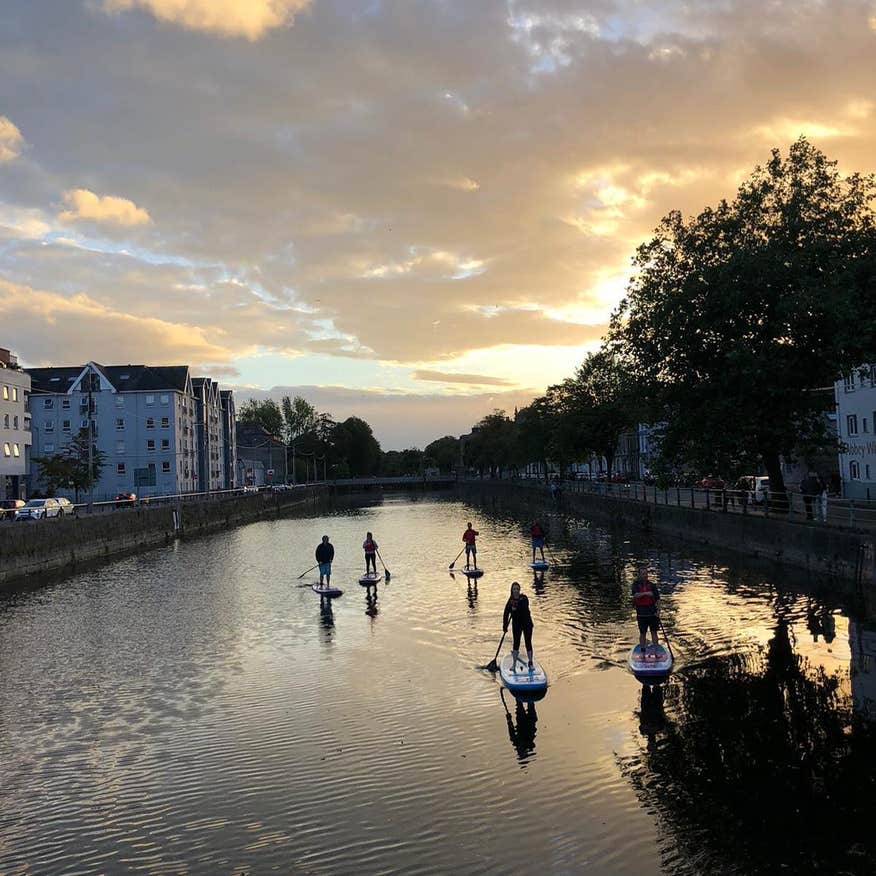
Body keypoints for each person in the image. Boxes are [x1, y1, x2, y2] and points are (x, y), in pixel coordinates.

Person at [503, 581, 535, 671]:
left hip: (527, 624)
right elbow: (506, 613)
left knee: (528, 642)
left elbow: (524, 607)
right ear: (511, 591)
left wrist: (515, 609)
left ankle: (530, 662)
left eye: (517, 589)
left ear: (519, 590)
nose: (516, 591)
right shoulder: (510, 601)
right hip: (517, 625)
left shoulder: (524, 598)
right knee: (516, 644)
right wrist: (504, 626)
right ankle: (513, 665)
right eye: (514, 589)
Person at [632, 563, 660, 658]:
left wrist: (658, 611)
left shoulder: (652, 585)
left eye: (646, 574)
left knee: (654, 632)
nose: (645, 575)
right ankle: (643, 652)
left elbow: (657, 599)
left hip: (652, 613)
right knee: (642, 633)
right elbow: (635, 595)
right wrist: (647, 593)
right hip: (641, 614)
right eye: (643, 574)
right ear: (639, 575)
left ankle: (656, 651)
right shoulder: (635, 585)